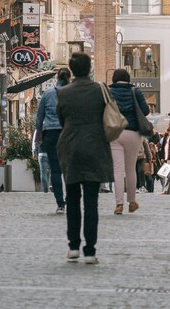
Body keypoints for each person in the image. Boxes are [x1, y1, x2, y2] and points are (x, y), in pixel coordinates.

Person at [55, 52, 113, 264]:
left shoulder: (63, 92)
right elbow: (108, 114)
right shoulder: (100, 89)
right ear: (89, 68)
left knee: (72, 200)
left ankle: (73, 247)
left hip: (70, 146)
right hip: (94, 146)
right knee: (91, 202)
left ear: (71, 69)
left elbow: (62, 118)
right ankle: (90, 251)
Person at [107, 69, 150, 215]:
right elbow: (145, 110)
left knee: (118, 170)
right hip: (133, 131)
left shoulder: (108, 91)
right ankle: (132, 202)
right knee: (131, 169)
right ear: (128, 78)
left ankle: (119, 204)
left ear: (114, 78)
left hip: (115, 131)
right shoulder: (135, 91)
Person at [36, 68, 71, 214]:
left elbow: (39, 118)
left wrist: (39, 134)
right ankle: (70, 198)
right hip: (68, 134)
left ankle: (60, 203)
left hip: (50, 134)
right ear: (69, 77)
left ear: (57, 77)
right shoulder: (71, 93)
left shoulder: (47, 93)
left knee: (55, 170)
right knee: (69, 170)